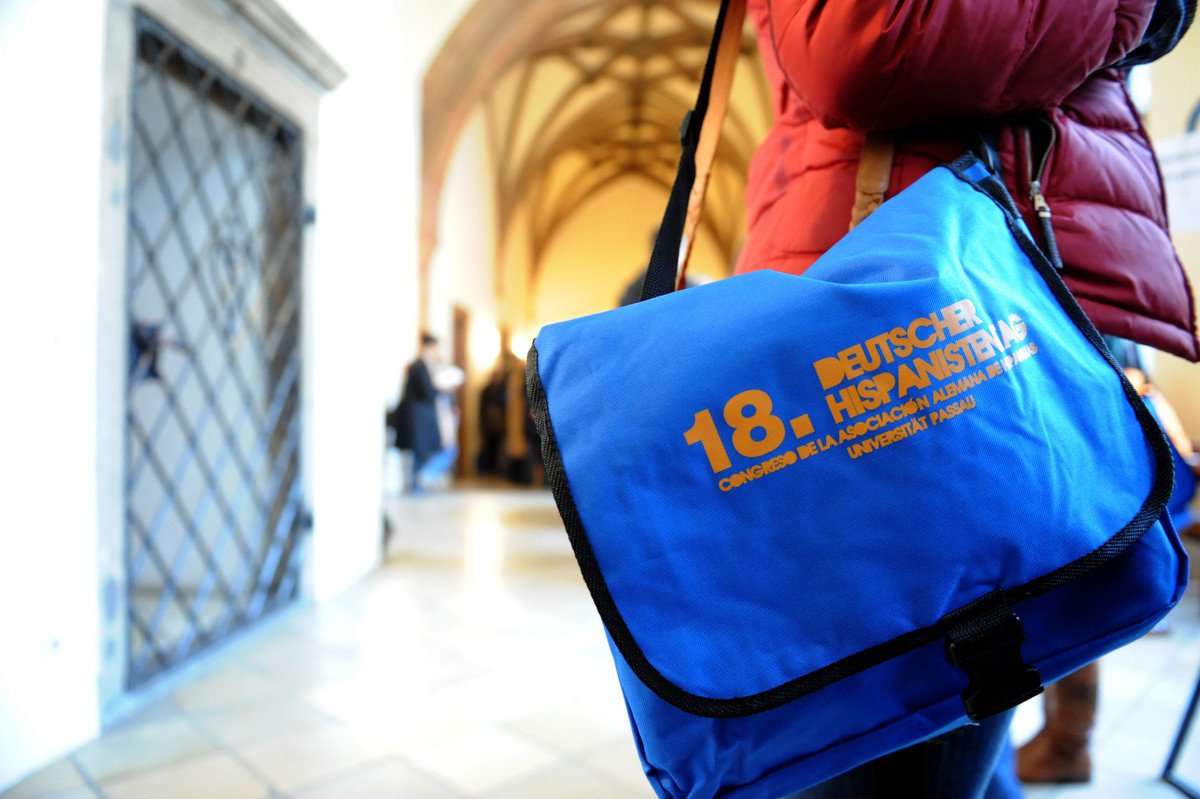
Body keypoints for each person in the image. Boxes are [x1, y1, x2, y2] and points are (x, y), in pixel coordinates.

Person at [739, 1, 1198, 796]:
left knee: (981, 672)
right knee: (919, 704)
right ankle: (1062, 741)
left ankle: (1060, 741)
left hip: (981, 294)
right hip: (920, 329)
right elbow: (860, 44)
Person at [390, 333, 446, 494]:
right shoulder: (419, 366)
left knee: (423, 451)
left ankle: (418, 482)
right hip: (418, 418)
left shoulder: (420, 366)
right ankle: (418, 483)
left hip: (420, 417)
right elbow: (426, 391)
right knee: (421, 451)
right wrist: (440, 388)